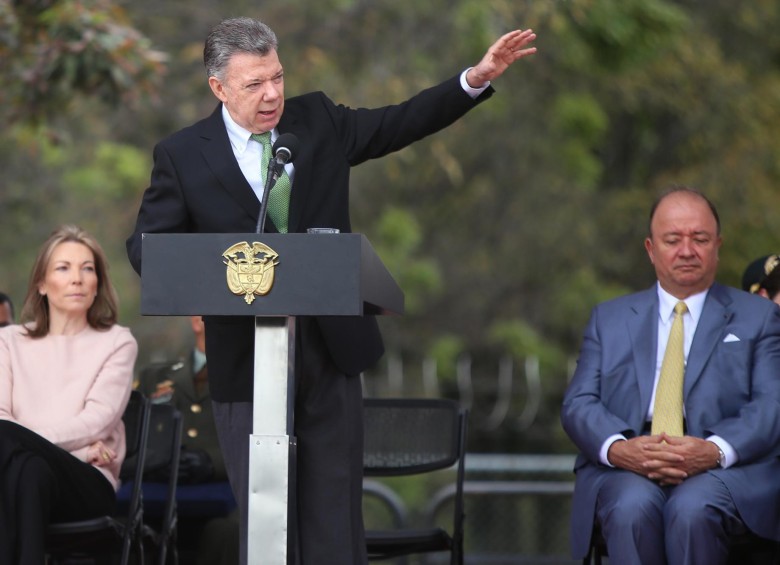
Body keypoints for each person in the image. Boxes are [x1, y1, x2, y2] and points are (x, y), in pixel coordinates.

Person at [126, 16, 537, 565]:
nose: (272, 94)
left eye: (277, 77)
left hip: (329, 351)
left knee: (332, 521)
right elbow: (147, 248)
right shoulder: (182, 154)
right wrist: (211, 279)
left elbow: (398, 123)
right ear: (218, 87)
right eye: (254, 84)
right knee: (270, 522)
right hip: (244, 361)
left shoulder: (315, 118)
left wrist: (474, 79)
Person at [561, 187, 780, 564]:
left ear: (718, 245)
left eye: (700, 238)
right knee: (631, 507)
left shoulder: (759, 318)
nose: (687, 250)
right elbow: (579, 403)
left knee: (693, 508)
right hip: (631, 460)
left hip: (722, 468)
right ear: (650, 248)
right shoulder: (609, 319)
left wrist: (713, 451)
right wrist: (619, 448)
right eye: (672, 239)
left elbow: (771, 404)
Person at [0, 224, 138, 564]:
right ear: (42, 284)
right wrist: (72, 449)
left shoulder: (117, 342)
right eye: (63, 268)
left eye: (87, 269)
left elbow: (96, 420)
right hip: (27, 471)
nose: (77, 278)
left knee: (15, 450)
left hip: (85, 481)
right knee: (28, 468)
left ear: (97, 284)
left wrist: (35, 442)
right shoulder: (8, 340)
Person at [135, 315, 239, 565]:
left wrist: (211, 462)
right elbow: (133, 437)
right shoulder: (154, 377)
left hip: (227, 491)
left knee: (232, 533)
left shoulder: (256, 378)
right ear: (196, 320)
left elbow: (264, 446)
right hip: (157, 489)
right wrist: (155, 462)